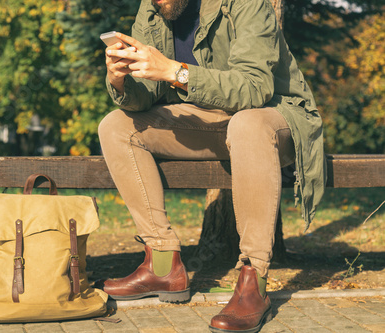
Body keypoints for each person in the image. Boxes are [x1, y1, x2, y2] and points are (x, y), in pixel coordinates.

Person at [97, 0, 326, 332]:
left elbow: (255, 87)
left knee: (246, 124)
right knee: (117, 126)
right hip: (211, 117)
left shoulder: (246, 4)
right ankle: (162, 263)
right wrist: (120, 80)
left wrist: (174, 70)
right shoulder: (154, 8)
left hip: (275, 114)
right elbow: (145, 96)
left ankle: (253, 280)